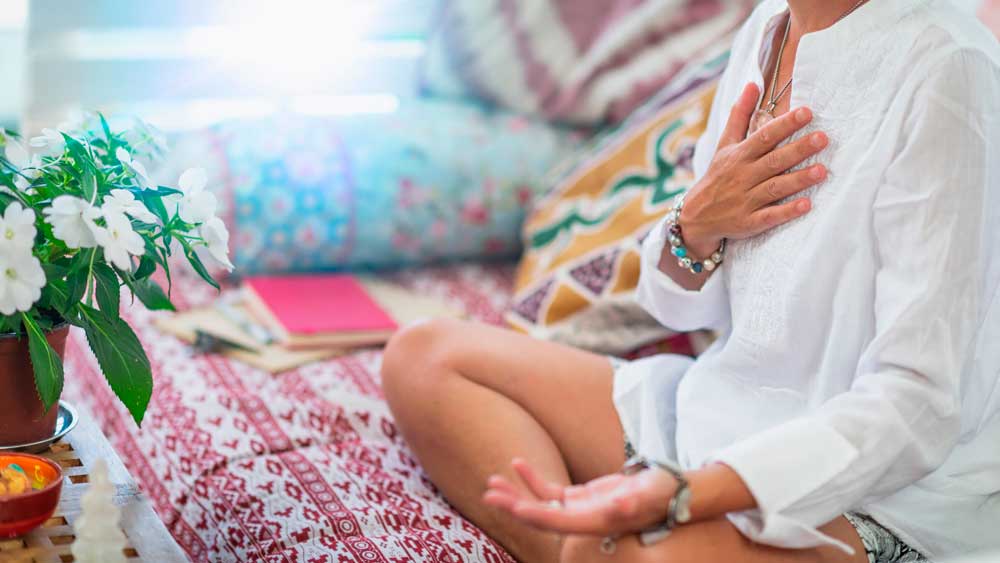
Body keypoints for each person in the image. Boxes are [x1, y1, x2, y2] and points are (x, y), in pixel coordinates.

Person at [381, 0, 1000, 561]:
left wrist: (687, 494)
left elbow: (918, 404)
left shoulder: (949, 67)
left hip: (882, 491)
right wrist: (696, 224)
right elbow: (680, 308)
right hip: (719, 414)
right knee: (426, 356)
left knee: (627, 554)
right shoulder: (767, 27)